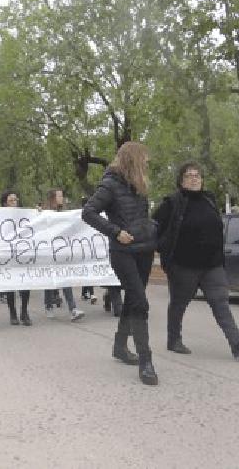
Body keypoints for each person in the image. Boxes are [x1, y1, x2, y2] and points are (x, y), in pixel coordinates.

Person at [152, 162, 239, 359]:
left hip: (212, 264)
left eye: (198, 175)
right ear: (181, 180)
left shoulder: (209, 199)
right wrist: (164, 248)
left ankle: (237, 343)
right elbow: (154, 229)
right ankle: (173, 340)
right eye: (189, 175)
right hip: (184, 265)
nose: (194, 178)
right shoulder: (172, 202)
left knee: (221, 302)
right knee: (179, 304)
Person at [82, 141, 160, 385]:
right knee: (140, 303)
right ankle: (146, 361)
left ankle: (119, 346)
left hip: (144, 250)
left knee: (133, 300)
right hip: (123, 252)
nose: (147, 162)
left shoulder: (140, 186)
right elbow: (89, 212)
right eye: (143, 158)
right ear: (133, 159)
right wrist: (115, 231)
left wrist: (151, 229)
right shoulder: (110, 184)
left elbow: (141, 216)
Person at [40, 188, 86, 322]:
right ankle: (48, 306)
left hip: (61, 251)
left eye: (62, 195)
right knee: (50, 281)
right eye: (59, 196)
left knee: (66, 279)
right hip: (48, 251)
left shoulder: (64, 213)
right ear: (53, 198)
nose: (62, 198)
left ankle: (73, 309)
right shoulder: (45, 213)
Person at [0, 191, 34, 326]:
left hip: (22, 254)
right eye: (11, 200)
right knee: (10, 285)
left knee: (25, 284)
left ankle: (24, 311)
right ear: (5, 203)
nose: (14, 202)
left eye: (15, 200)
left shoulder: (24, 215)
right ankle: (12, 312)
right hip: (7, 255)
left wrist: (39, 213)